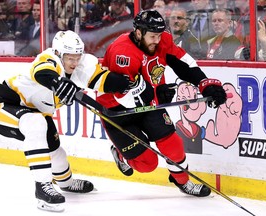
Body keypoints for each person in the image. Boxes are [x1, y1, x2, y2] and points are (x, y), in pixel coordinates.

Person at [97, 9, 227, 197]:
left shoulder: (162, 40)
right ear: (138, 32)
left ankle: (181, 180)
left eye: (159, 35)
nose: (157, 40)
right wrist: (157, 92)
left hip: (146, 103)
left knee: (173, 145)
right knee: (148, 163)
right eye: (152, 36)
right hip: (117, 111)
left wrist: (204, 83)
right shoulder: (122, 52)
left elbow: (183, 62)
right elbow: (123, 97)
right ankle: (121, 154)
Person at [0, 30, 94, 212]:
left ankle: (66, 182)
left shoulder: (77, 68)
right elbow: (43, 73)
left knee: (57, 153)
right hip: (6, 104)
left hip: (35, 111)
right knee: (35, 123)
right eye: (70, 58)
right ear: (58, 54)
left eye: (77, 57)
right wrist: (58, 83)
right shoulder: (48, 58)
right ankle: (43, 189)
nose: (75, 62)